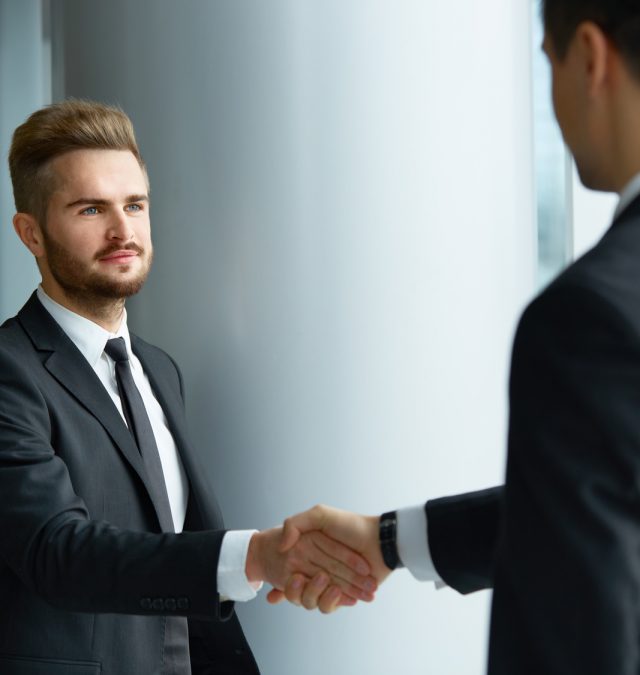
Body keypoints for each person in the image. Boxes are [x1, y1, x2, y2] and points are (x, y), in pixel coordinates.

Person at [271, 1, 640, 672]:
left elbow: (582, 614)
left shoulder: (590, 314)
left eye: (548, 64)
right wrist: (390, 541)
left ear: (588, 56)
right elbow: (601, 505)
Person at [0, 99, 376, 675]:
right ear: (31, 233)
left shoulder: (158, 369)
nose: (123, 230)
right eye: (90, 209)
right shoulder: (10, 370)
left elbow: (173, 543)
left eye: (135, 204)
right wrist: (253, 557)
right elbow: (59, 554)